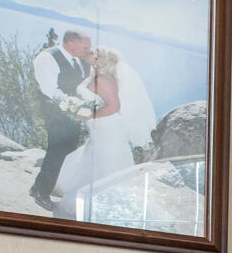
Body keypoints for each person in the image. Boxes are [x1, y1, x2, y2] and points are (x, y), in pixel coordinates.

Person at [60, 45, 154, 214]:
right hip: (101, 128)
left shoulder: (103, 79)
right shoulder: (96, 75)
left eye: (94, 53)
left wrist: (89, 115)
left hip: (107, 128)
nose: (90, 53)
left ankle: (100, 203)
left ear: (100, 60)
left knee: (105, 159)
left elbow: (114, 106)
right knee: (96, 156)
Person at [23, 26, 95, 214]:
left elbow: (80, 85)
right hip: (55, 114)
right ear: (71, 43)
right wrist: (72, 105)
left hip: (73, 115)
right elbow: (49, 89)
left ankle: (40, 186)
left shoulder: (80, 61)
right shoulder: (48, 57)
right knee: (56, 152)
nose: (87, 49)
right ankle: (41, 192)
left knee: (68, 152)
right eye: (85, 46)